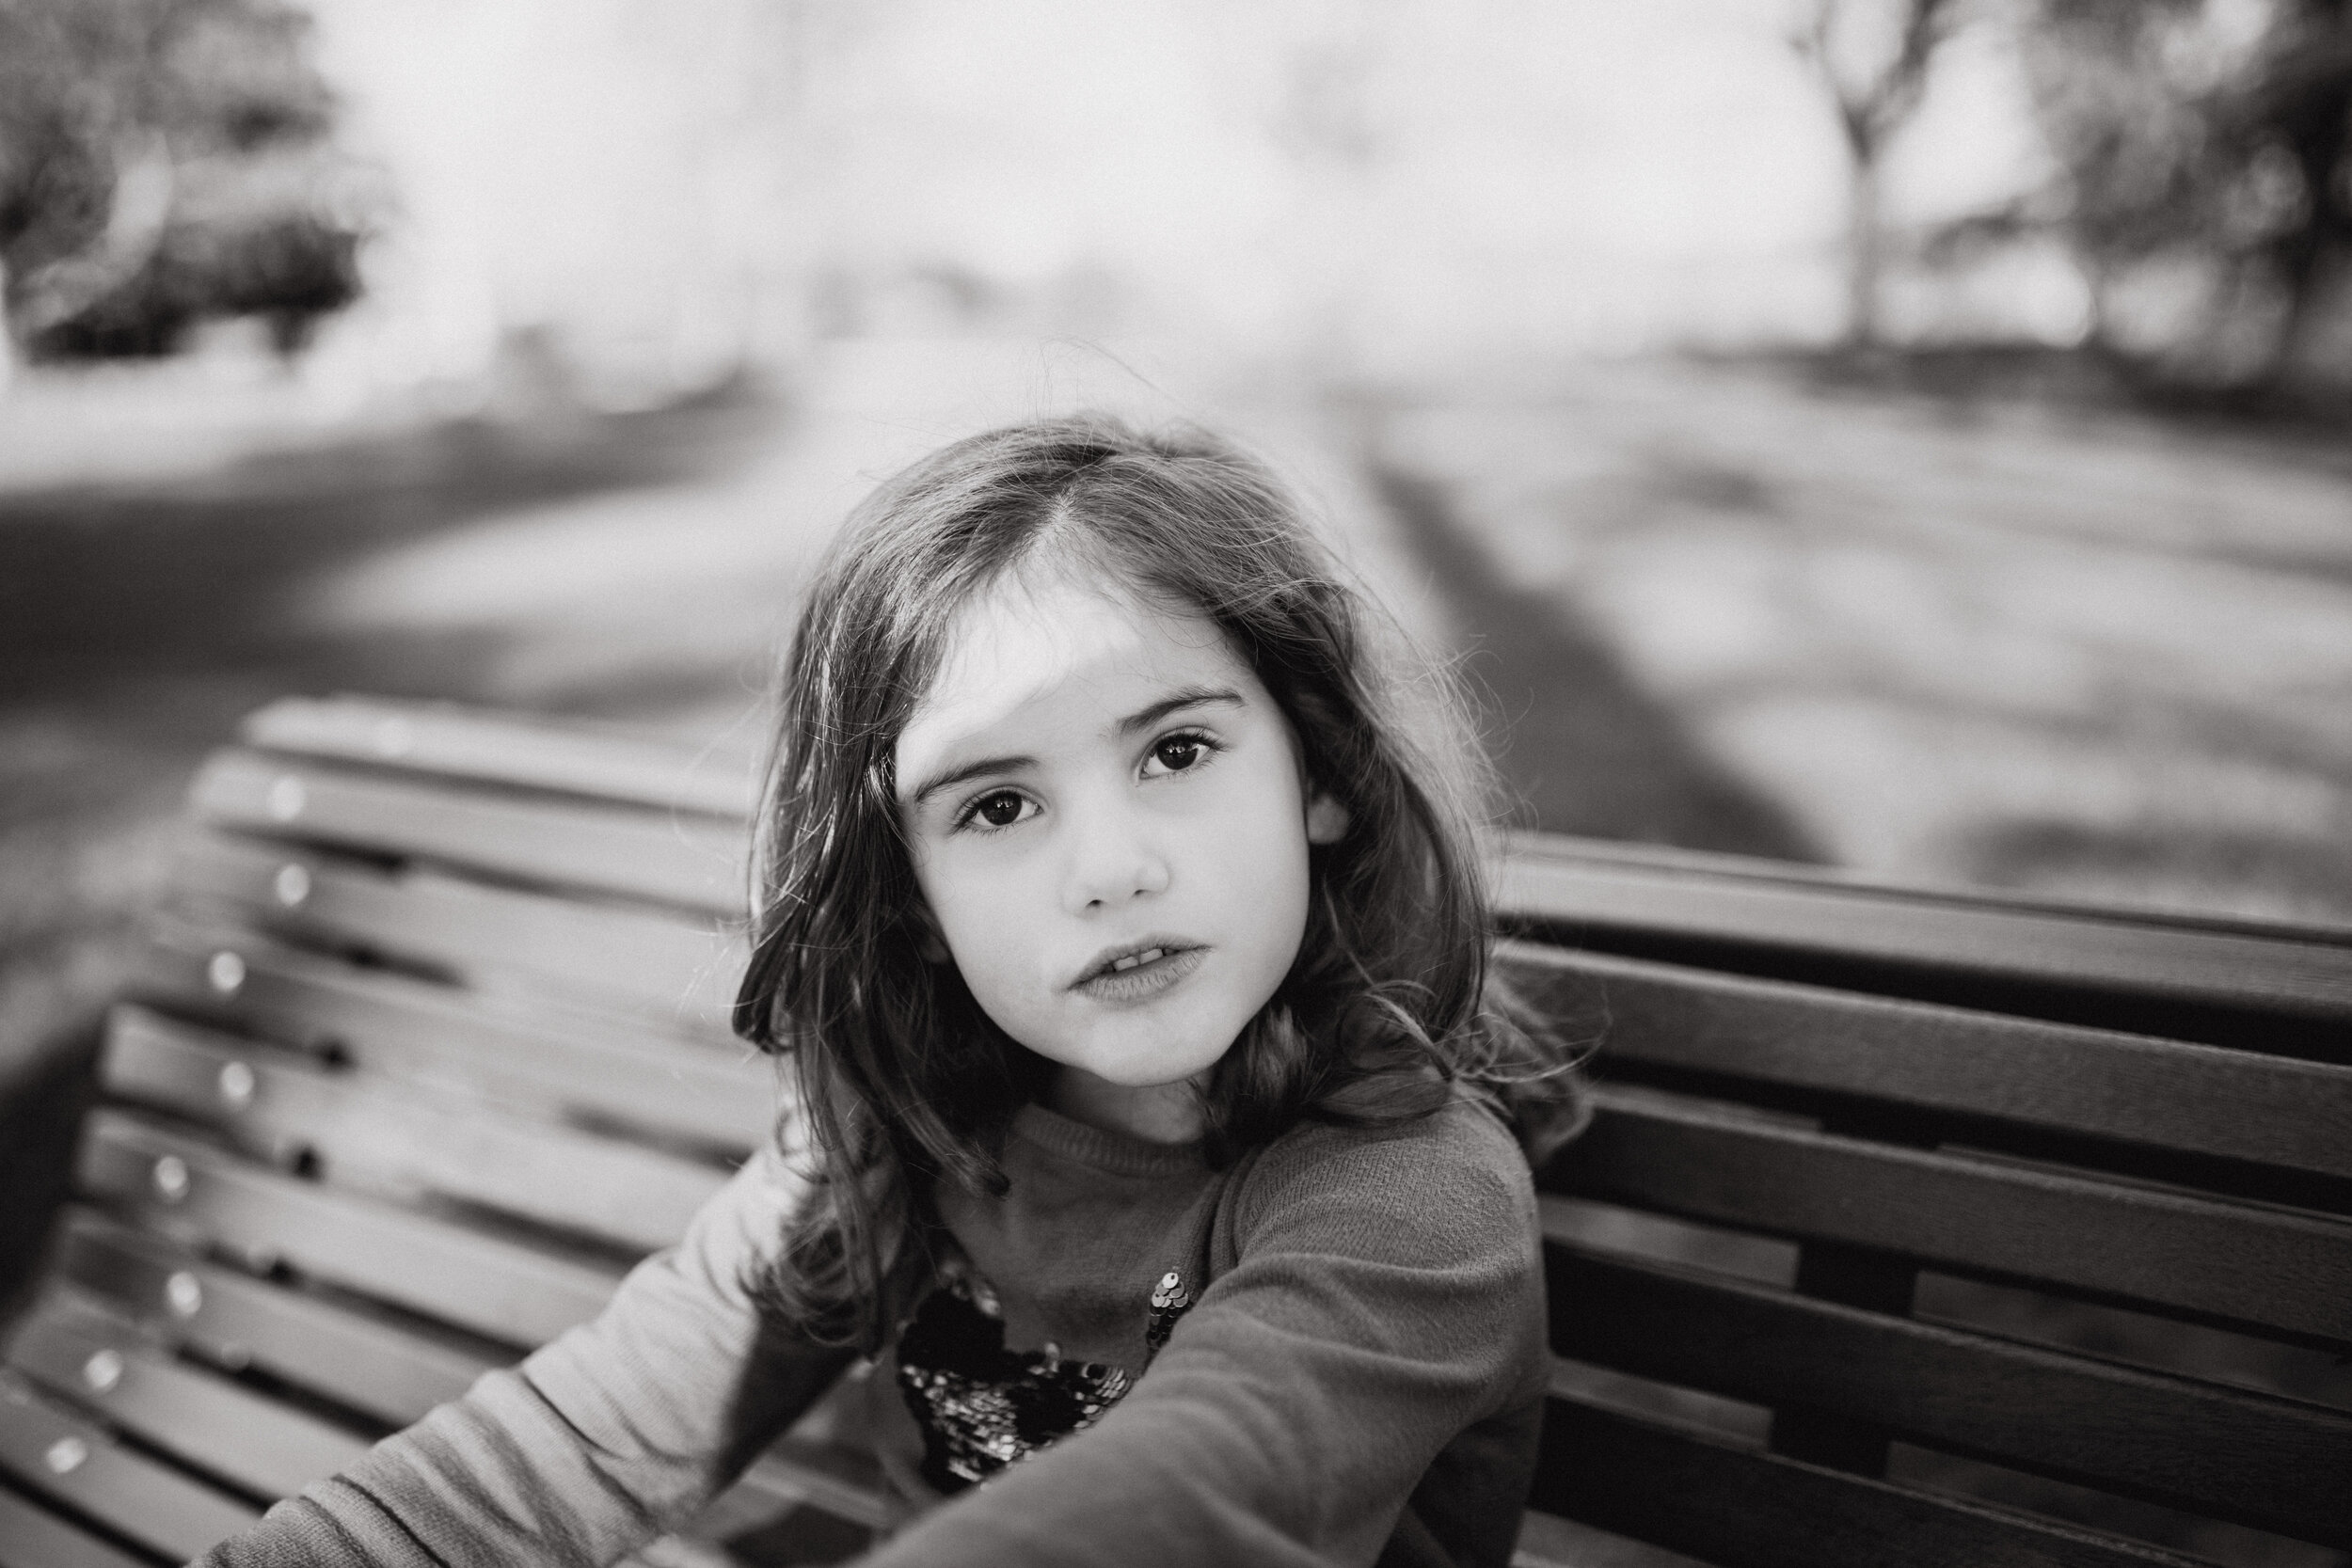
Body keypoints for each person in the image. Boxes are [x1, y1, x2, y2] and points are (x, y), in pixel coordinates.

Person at [198, 417, 1587, 1568]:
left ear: (1323, 777)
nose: (1108, 870)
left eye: (1174, 752)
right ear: (912, 903)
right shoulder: (892, 1144)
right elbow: (589, 1436)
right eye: (995, 806)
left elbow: (1195, 1490)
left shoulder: (1410, 1203)